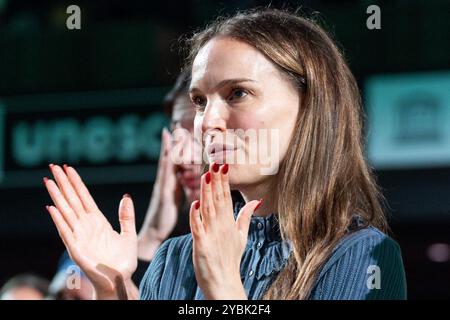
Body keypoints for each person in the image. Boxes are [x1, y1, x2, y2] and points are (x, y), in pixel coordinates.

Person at [43, 8, 407, 300]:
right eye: (200, 101)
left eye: (237, 93)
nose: (208, 122)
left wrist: (223, 289)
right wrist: (112, 288)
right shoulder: (174, 259)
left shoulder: (362, 257)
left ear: (311, 107)